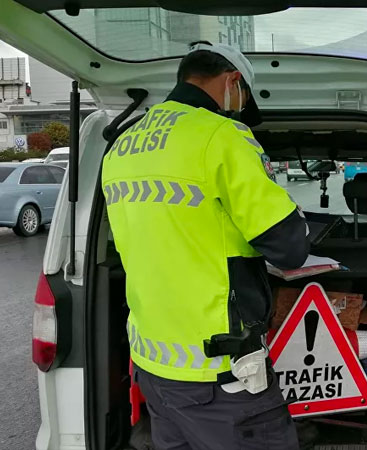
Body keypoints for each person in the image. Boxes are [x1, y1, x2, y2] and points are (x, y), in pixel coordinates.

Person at [102, 42, 309, 449]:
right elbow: (289, 248)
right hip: (220, 376)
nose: (238, 110)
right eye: (242, 99)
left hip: (154, 365)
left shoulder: (122, 145)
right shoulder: (221, 136)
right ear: (234, 81)